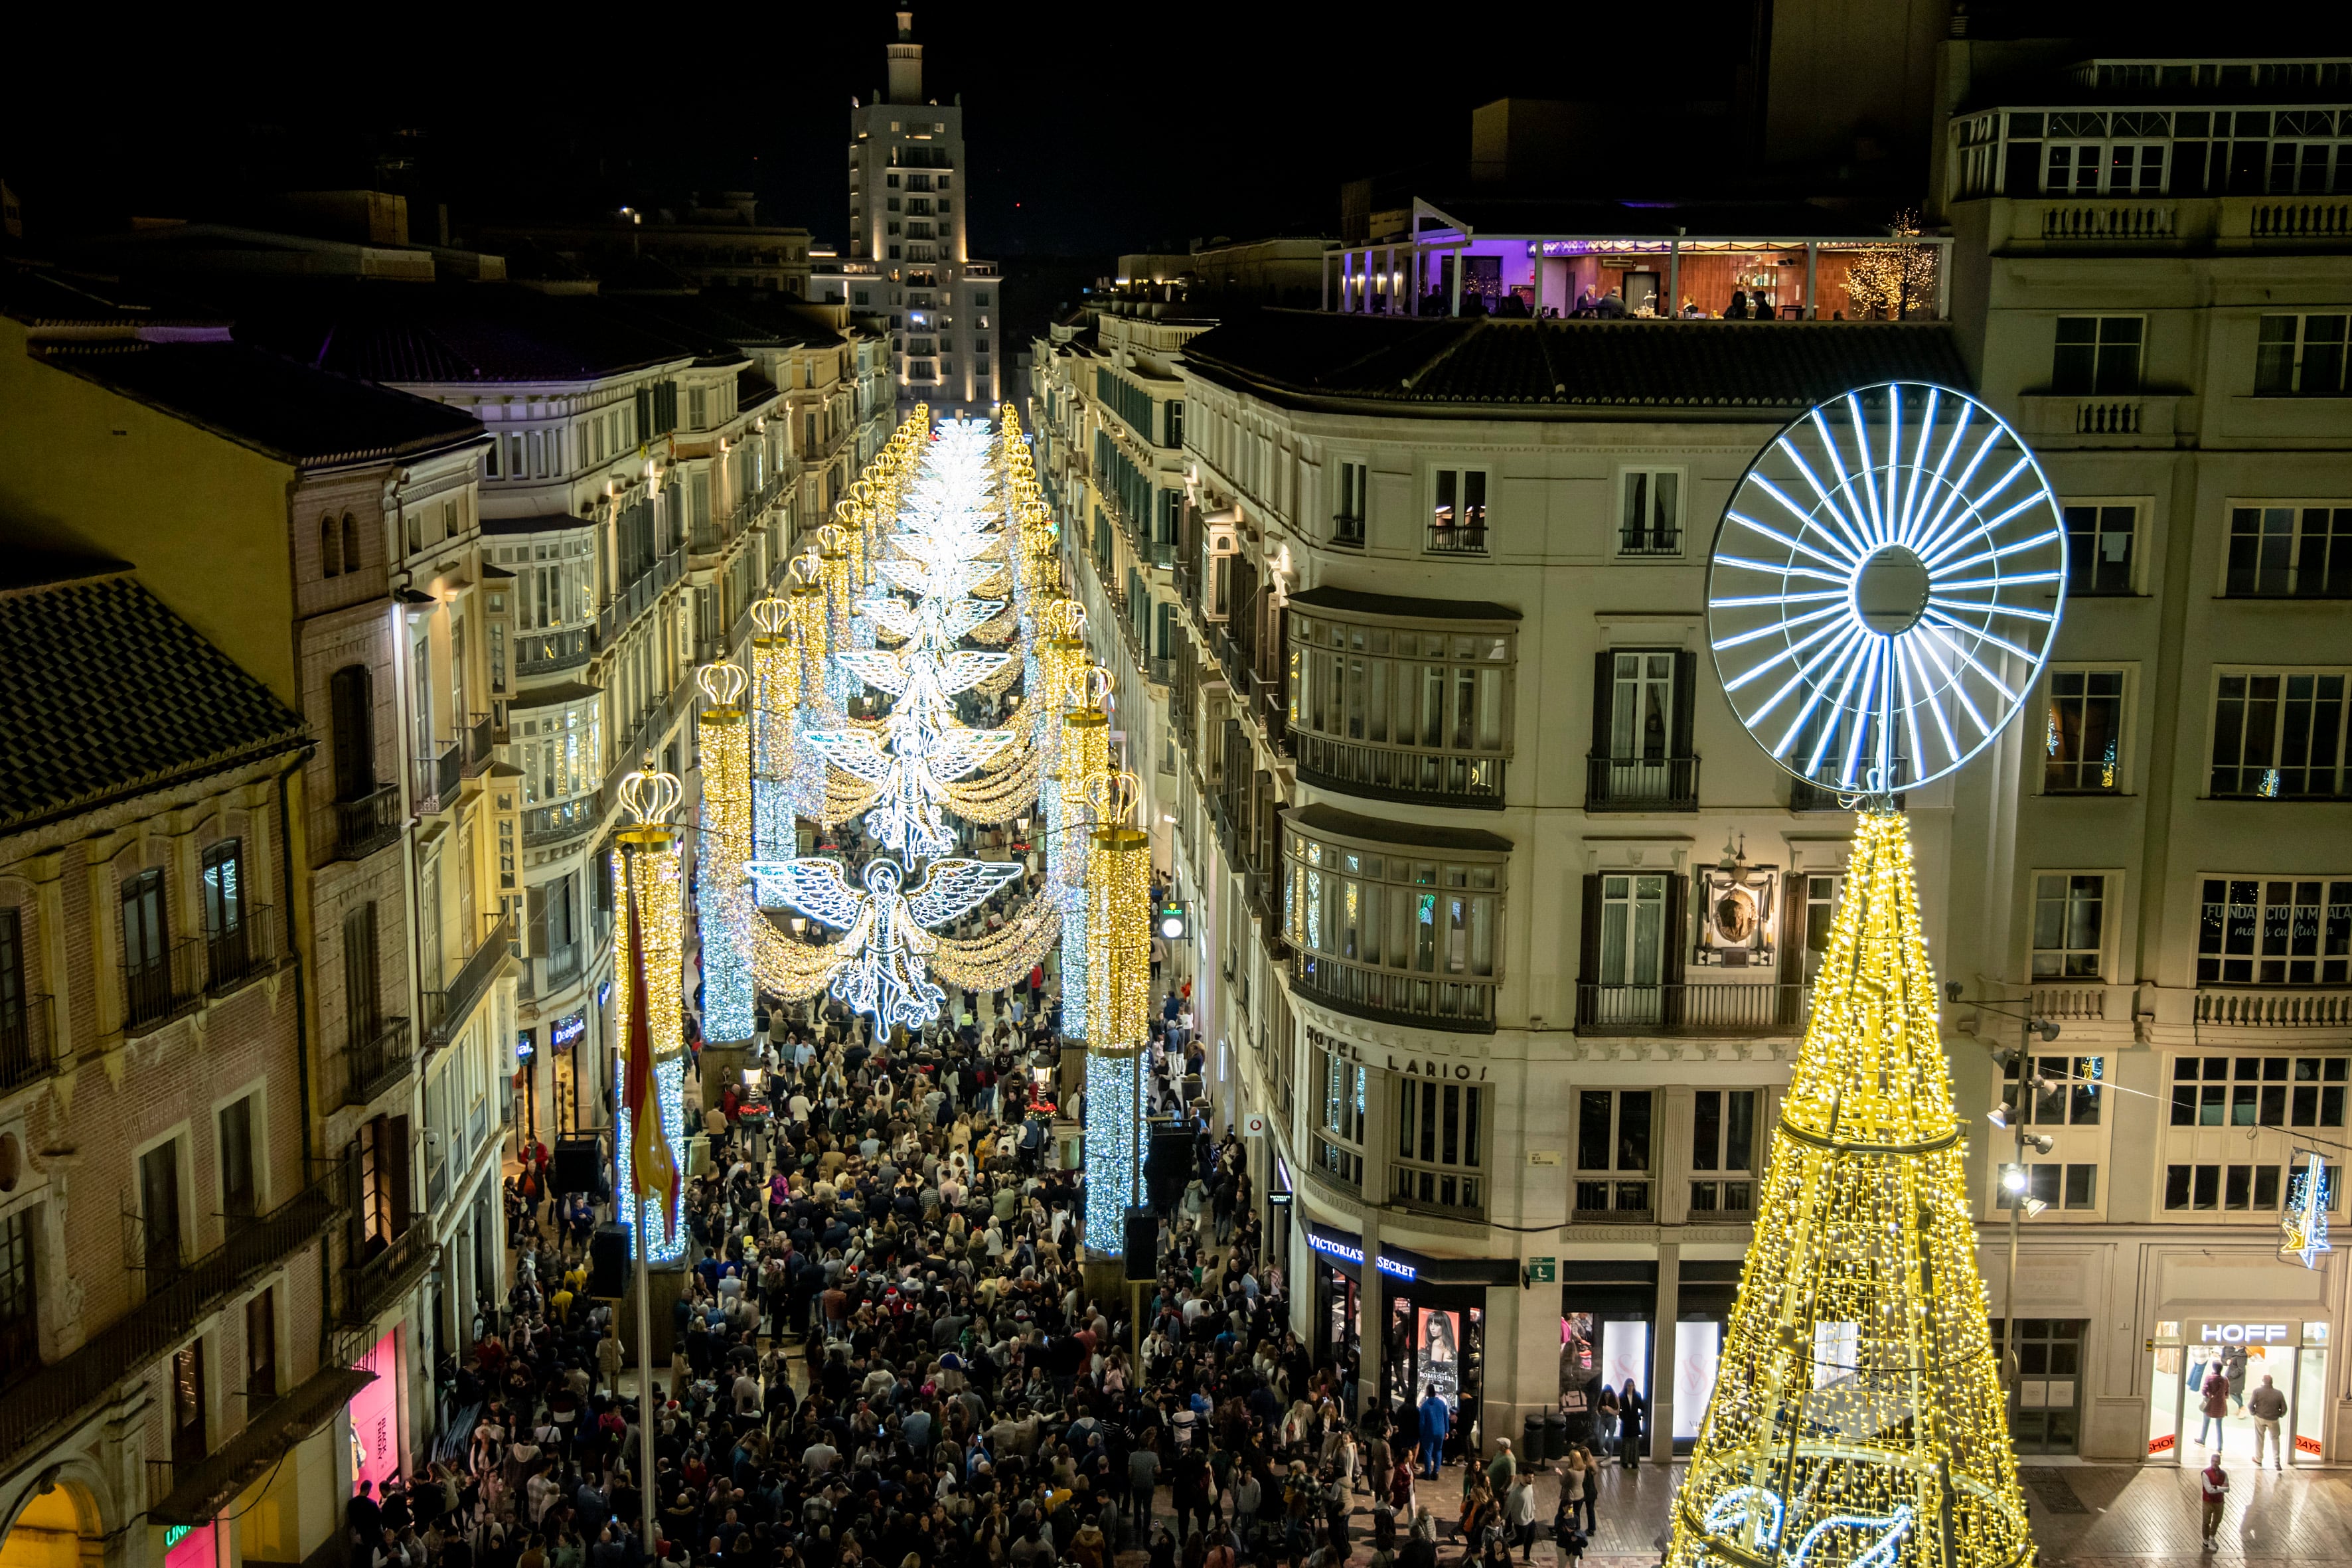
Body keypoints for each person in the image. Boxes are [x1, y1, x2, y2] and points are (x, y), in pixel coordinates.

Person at [2248, 1374, 2288, 1468]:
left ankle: (2258, 1459)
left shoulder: (2257, 1391)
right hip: (2273, 1420)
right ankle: (2276, 1461)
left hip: (2260, 1418)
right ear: (2272, 1382)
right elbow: (2284, 1409)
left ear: (2263, 1381)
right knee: (2275, 1438)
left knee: (2260, 1438)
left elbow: (2250, 1406)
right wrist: (2279, 1415)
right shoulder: (2279, 1393)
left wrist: (2254, 1413)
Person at [1416, 1385, 1450, 1478]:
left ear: (1427, 1392)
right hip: (1440, 1431)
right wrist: (1446, 1431)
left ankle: (1427, 1472)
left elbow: (1422, 1422)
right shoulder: (1442, 1404)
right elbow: (1446, 1418)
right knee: (1438, 1450)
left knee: (1428, 1451)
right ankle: (1436, 1472)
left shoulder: (1425, 1406)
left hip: (1429, 1432)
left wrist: (1421, 1433)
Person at [2199, 1363, 2231, 1450]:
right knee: (2219, 1426)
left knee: (2206, 1423)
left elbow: (2204, 1391)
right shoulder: (2225, 1380)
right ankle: (2220, 1448)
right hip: (2221, 1406)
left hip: (2210, 1404)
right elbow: (2227, 1394)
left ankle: (2202, 1440)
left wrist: (2210, 1396)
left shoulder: (2209, 1378)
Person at [2199, 1454, 2228, 1544]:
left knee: (2217, 1520)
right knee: (2206, 1521)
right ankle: (2205, 1539)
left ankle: (2212, 1536)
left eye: (2216, 1461)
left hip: (2219, 1501)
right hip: (2208, 1501)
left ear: (2219, 1462)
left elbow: (2227, 1489)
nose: (2214, 1463)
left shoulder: (2224, 1474)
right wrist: (2221, 1488)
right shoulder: (2206, 1473)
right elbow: (2209, 1490)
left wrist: (2216, 1487)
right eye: (2213, 1461)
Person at [1618, 1380, 1645, 1468]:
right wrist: (1622, 1416)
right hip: (1626, 1422)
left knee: (1635, 1443)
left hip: (1634, 1422)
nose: (1630, 1388)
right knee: (1626, 1442)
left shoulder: (1637, 1396)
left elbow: (1642, 1407)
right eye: (1629, 1386)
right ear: (1626, 1386)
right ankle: (1625, 1461)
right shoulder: (1621, 1396)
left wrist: (1640, 1415)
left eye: (1632, 1386)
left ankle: (1635, 1462)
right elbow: (1619, 1409)